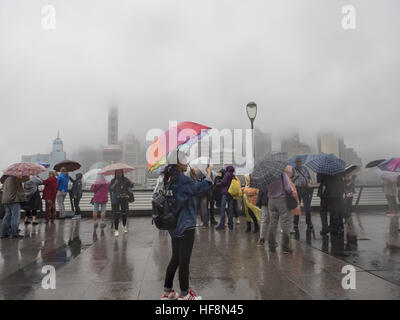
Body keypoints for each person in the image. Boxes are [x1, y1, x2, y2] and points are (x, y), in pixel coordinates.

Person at [161, 151, 212, 301]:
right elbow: (202, 187)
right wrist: (208, 175)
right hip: (186, 223)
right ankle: (185, 294)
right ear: (178, 163)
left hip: (174, 224)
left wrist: (191, 179)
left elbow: (185, 191)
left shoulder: (169, 178)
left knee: (175, 258)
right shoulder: (181, 179)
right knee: (184, 261)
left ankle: (167, 291)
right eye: (184, 159)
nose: (186, 161)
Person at [266, 172, 293, 253]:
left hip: (271, 201)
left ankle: (271, 246)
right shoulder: (281, 174)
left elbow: (264, 189)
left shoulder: (267, 176)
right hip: (282, 200)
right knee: (285, 222)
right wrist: (291, 192)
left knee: (272, 223)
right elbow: (288, 188)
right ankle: (285, 246)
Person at [291, 157, 313, 233]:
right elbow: (290, 181)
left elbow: (309, 178)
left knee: (307, 207)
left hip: (306, 189)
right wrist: (295, 177)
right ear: (295, 163)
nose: (299, 163)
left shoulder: (305, 169)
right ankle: (295, 223)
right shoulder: (293, 170)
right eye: (297, 162)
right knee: (297, 207)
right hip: (297, 189)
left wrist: (309, 183)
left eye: (300, 162)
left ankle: (309, 222)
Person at [109, 170, 134, 236]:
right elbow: (110, 189)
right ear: (115, 173)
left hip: (124, 198)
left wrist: (130, 180)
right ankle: (116, 229)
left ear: (122, 173)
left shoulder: (125, 179)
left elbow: (131, 186)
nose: (119, 174)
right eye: (118, 172)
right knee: (116, 214)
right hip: (116, 199)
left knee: (124, 213)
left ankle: (124, 225)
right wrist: (115, 183)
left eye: (120, 172)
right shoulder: (113, 180)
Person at [215, 166, 235, 230]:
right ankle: (231, 225)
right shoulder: (233, 175)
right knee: (230, 209)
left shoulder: (227, 174)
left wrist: (218, 183)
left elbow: (224, 182)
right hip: (231, 193)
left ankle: (221, 225)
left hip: (225, 193)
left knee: (223, 209)